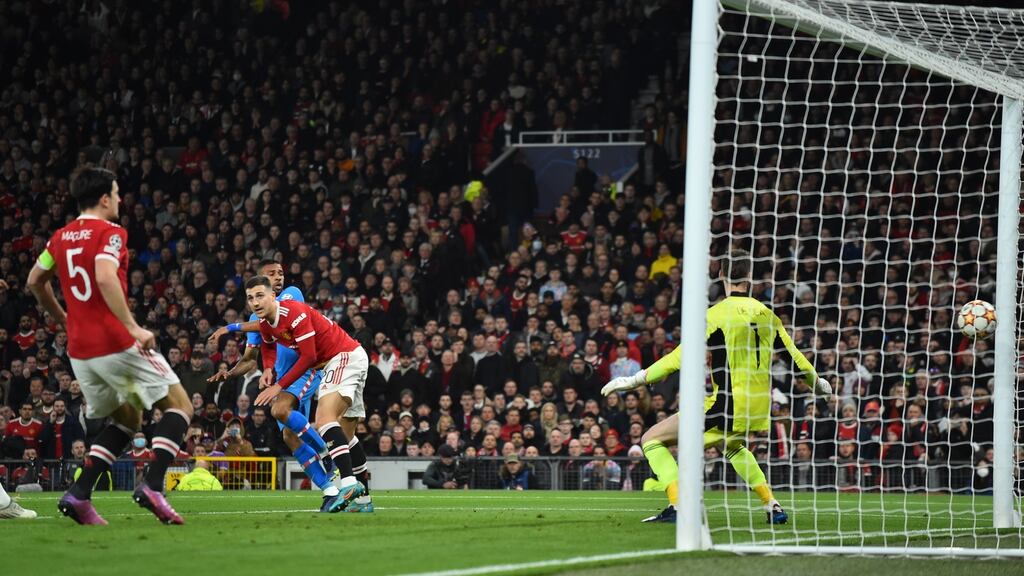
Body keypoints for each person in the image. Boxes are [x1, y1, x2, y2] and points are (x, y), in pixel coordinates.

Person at [602, 250, 832, 524]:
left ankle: (678, 505)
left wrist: (635, 380)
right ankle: (773, 505)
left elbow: (680, 357)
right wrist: (817, 383)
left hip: (727, 406)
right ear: (749, 276)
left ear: (721, 275)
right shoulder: (768, 314)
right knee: (733, 448)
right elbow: (794, 358)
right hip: (758, 408)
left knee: (651, 439)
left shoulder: (716, 314)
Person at [27, 168, 193, 525]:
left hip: (81, 353)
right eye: (117, 194)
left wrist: (64, 319)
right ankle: (152, 485)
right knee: (180, 404)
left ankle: (80, 493)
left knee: (129, 418)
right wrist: (133, 326)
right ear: (104, 198)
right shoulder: (111, 233)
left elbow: (35, 281)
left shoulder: (59, 238)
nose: (119, 200)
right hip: (116, 343)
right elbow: (103, 274)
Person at [206, 259, 342, 506]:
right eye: (272, 274)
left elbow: (277, 320)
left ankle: (327, 452)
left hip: (305, 367)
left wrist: (231, 326)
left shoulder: (292, 295)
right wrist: (230, 373)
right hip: (282, 379)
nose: (279, 277)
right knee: (290, 436)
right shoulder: (256, 316)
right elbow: (250, 359)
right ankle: (330, 491)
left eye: (281, 272)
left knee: (280, 410)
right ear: (260, 280)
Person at [247, 275, 368, 512]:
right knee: (347, 436)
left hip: (341, 356)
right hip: (351, 358)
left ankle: (348, 483)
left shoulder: (294, 311)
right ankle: (364, 501)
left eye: (260, 295)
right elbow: (268, 346)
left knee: (324, 419)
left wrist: (278, 386)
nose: (255, 302)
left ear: (273, 295)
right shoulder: (265, 324)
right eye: (250, 298)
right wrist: (269, 368)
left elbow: (310, 357)